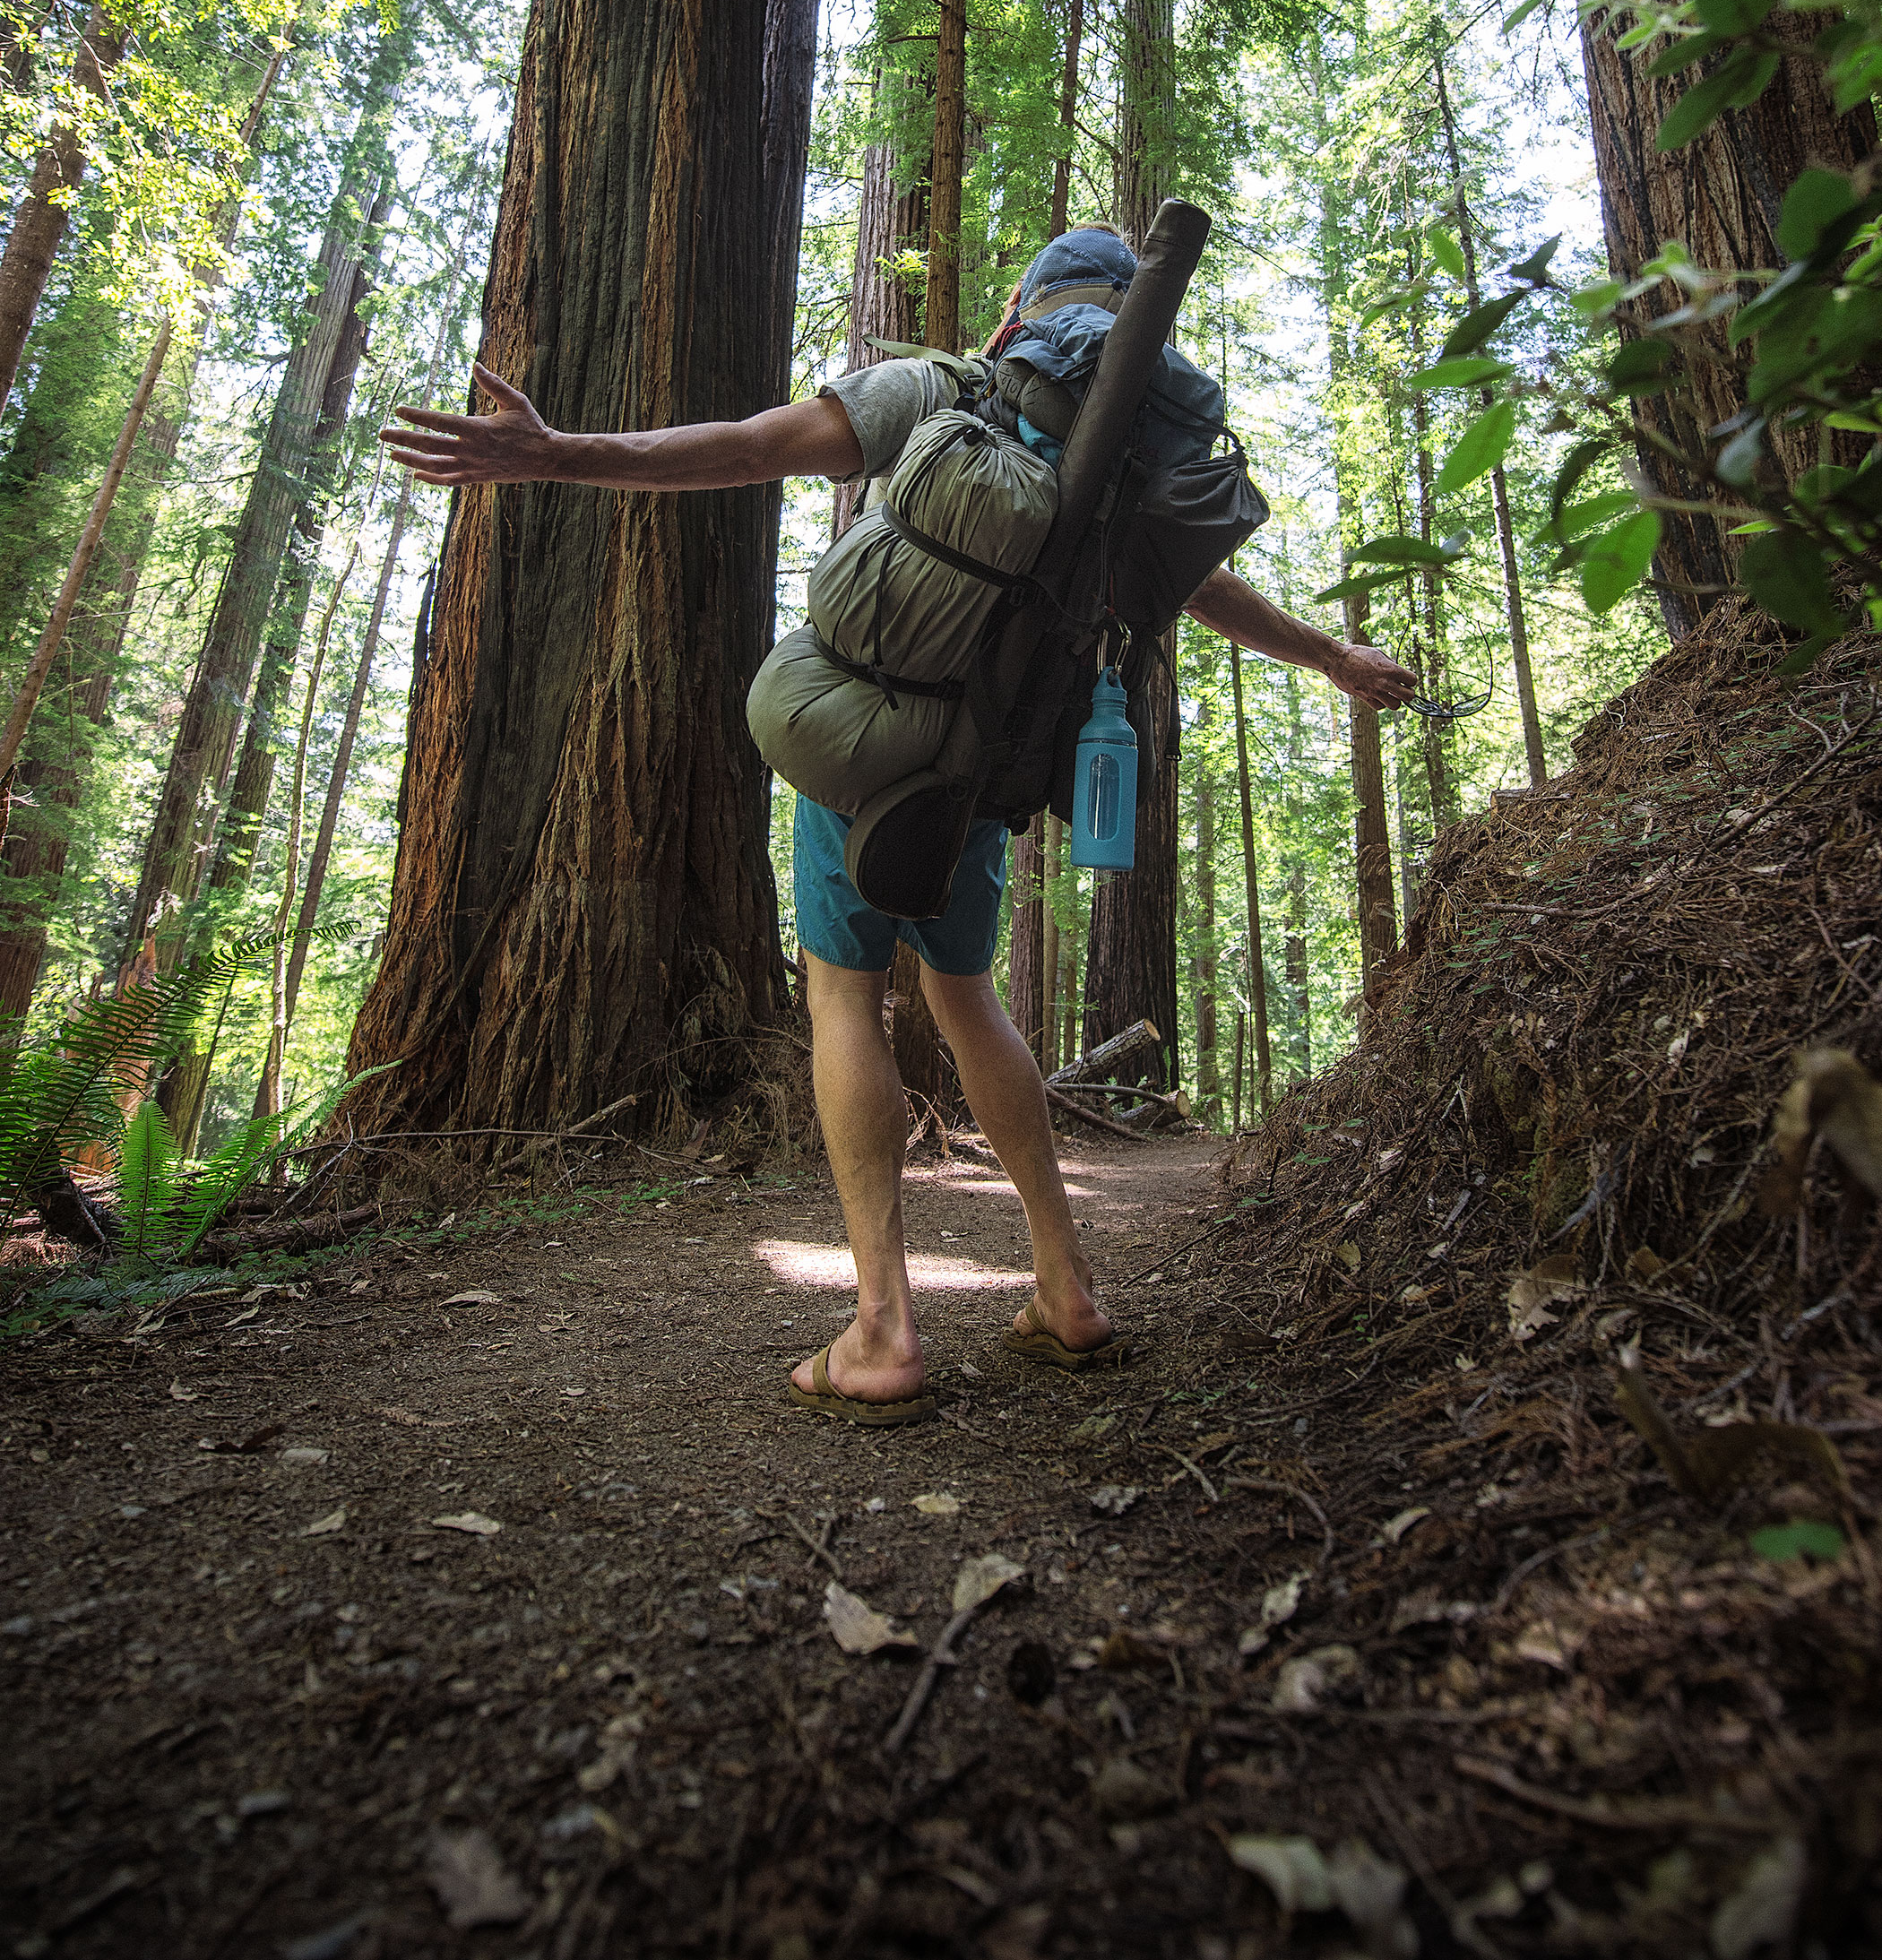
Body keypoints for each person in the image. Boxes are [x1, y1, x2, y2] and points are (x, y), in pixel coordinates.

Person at [380, 228, 1417, 1428]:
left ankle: (882, 1326)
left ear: (1020, 313)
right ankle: (1068, 1288)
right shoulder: (1128, 474)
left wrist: (556, 453)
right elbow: (1201, 592)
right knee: (967, 998)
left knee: (843, 996)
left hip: (860, 748)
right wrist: (1333, 654)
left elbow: (752, 448)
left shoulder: (950, 386)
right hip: (983, 779)